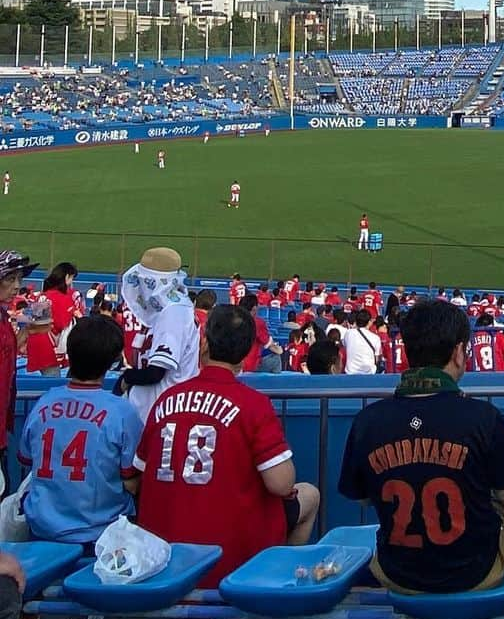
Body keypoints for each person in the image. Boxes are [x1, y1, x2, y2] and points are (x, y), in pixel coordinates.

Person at [338, 298, 504, 594]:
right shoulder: (483, 417)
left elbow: (361, 498)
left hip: (396, 573)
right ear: (457, 353)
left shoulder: (367, 420)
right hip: (476, 574)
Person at [135, 304, 319, 587]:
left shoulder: (166, 400)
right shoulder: (253, 404)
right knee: (309, 494)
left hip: (164, 559)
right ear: (246, 354)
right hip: (231, 558)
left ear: (205, 342)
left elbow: (136, 478)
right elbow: (282, 485)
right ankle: (271, 589)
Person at [18, 315, 141, 547]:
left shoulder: (44, 402)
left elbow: (25, 458)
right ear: (113, 360)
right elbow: (132, 480)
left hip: (42, 529)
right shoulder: (122, 411)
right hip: (101, 535)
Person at [116, 247, 201, 423]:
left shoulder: (174, 312)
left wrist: (126, 379)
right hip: (153, 411)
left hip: (160, 415)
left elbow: (156, 373)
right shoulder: (170, 309)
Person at [0, 251, 38, 494]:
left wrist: (25, 335)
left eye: (19, 279)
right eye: (10, 279)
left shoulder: (3, 317)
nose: (17, 287)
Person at [25, 262, 81, 377]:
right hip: (48, 346)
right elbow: (61, 324)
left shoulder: (43, 294)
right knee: (53, 382)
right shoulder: (61, 297)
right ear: (66, 277)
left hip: (34, 342)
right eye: (71, 278)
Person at [343, 309, 383, 375]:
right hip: (369, 374)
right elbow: (377, 359)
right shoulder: (375, 338)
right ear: (369, 322)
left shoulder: (348, 333)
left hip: (350, 373)